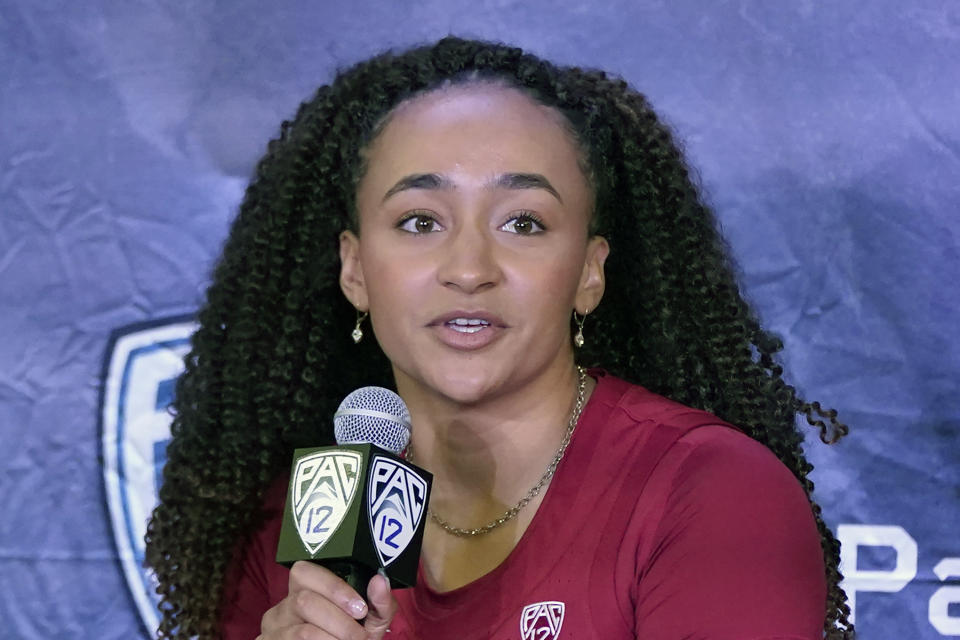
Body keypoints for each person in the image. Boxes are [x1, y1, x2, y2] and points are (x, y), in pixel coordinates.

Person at [145, 37, 854, 639]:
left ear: (588, 274)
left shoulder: (712, 493)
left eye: (523, 222)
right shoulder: (303, 530)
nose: (469, 269)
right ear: (356, 271)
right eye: (421, 221)